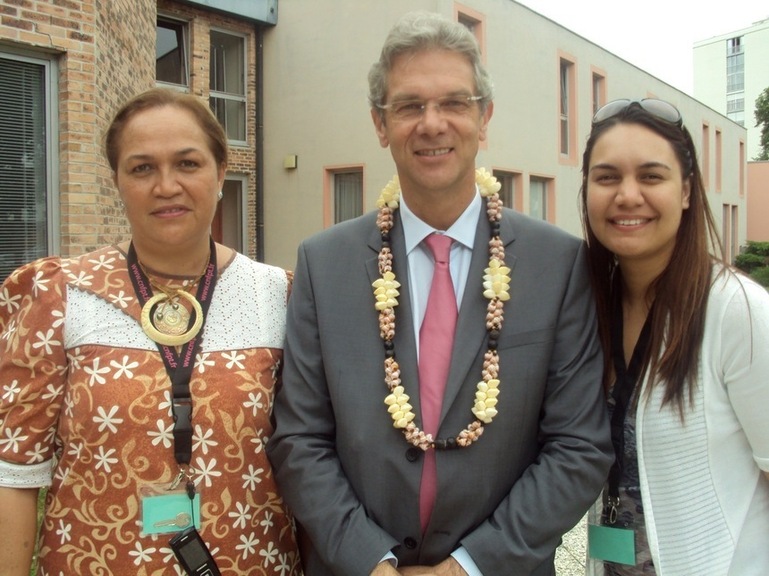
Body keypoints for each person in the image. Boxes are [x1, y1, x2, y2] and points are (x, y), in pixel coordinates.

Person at [266, 11, 613, 576]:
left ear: (484, 118)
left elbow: (579, 446)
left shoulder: (557, 264)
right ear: (381, 124)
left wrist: (467, 568)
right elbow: (299, 438)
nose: (432, 124)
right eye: (409, 106)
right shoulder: (322, 265)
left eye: (454, 102)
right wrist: (368, 560)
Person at [0, 88, 301, 575]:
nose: (166, 186)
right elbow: (14, 474)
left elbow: (310, 458)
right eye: (142, 168)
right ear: (117, 180)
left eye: (187, 163)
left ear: (221, 172)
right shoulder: (61, 294)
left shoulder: (279, 296)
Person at [580, 98, 769, 575]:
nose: (627, 195)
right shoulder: (587, 310)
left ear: (686, 191)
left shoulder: (736, 311)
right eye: (607, 177)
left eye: (650, 176)